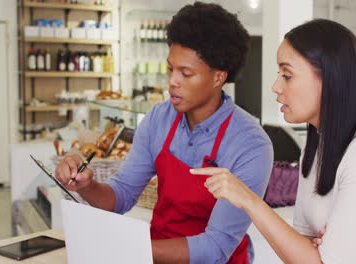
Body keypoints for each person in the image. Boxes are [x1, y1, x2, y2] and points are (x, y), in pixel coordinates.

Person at [55, 2, 273, 263]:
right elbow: (121, 195)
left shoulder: (251, 144)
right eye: (170, 68)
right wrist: (87, 185)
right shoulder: (159, 119)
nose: (172, 81)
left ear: (218, 78)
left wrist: (132, 249)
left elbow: (215, 247)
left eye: (186, 73)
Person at [192, 19, 356, 264]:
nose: (276, 86)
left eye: (287, 75)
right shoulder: (317, 144)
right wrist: (313, 249)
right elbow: (300, 247)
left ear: (330, 78)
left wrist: (249, 200)